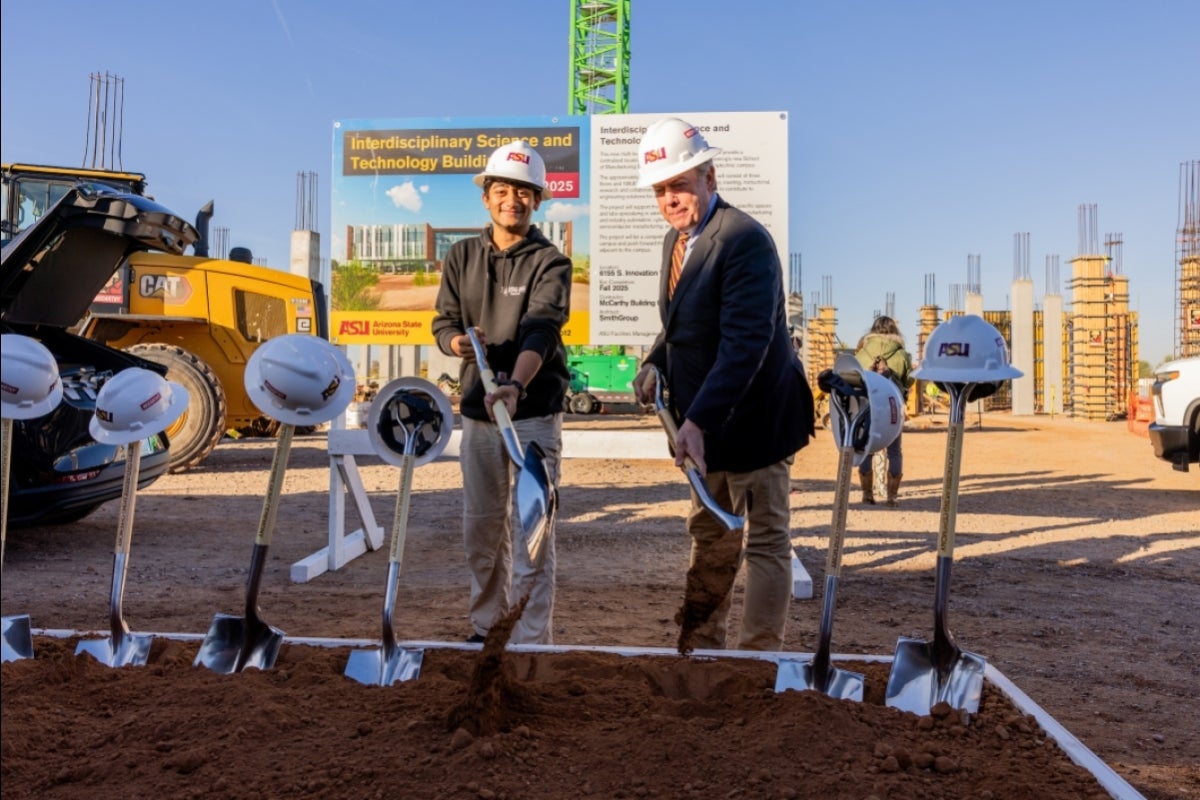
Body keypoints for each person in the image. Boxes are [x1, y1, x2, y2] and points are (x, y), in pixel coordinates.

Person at [629, 117, 815, 652]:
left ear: (710, 176)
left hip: (755, 422)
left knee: (764, 543)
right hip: (705, 427)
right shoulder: (676, 240)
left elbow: (746, 345)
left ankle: (756, 661)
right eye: (661, 189)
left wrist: (696, 421)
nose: (670, 198)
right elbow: (680, 325)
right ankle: (702, 649)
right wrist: (654, 362)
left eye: (680, 184)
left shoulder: (744, 241)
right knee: (710, 533)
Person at [431, 139, 572, 646]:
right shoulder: (461, 256)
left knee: (534, 535)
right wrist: (455, 341)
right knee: (482, 533)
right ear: (486, 197)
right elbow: (444, 321)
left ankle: (531, 640)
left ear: (537, 200)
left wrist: (515, 383)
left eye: (523, 191)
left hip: (531, 413)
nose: (512, 198)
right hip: (478, 415)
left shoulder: (550, 262)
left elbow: (542, 329)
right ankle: (488, 630)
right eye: (502, 189)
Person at [853, 315, 913, 506]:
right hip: (892, 407)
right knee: (894, 451)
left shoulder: (862, 353)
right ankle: (892, 497)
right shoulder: (901, 354)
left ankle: (867, 494)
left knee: (866, 448)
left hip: (867, 407)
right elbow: (909, 380)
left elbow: (855, 379)